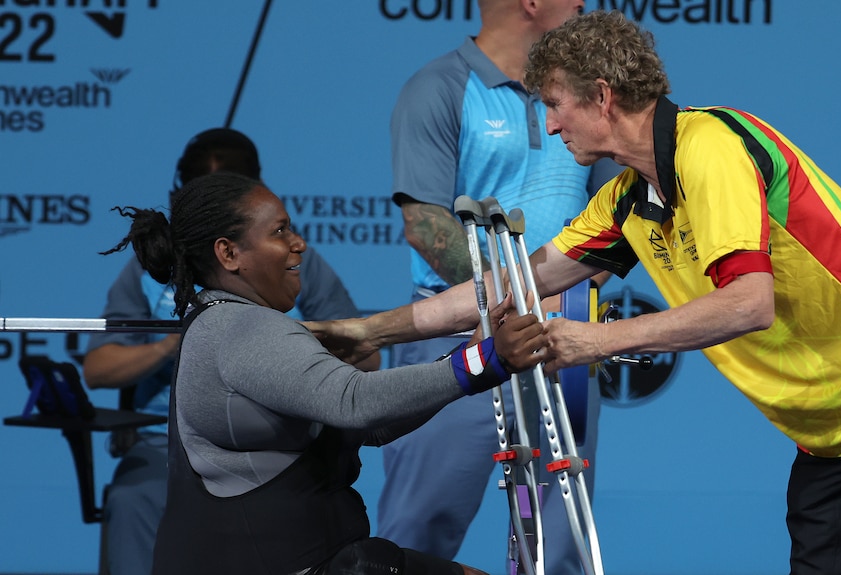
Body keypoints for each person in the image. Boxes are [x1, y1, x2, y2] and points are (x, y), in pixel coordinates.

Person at [308, 10, 841, 575]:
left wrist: (598, 340)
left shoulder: (709, 147)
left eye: (554, 103)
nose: (549, 126)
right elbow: (514, 284)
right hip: (832, 442)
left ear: (601, 96)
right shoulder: (626, 199)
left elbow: (748, 302)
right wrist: (368, 330)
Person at [101, 171, 545, 575]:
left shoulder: (234, 323)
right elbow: (354, 402)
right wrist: (484, 362)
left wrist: (471, 357)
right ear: (229, 253)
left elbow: (372, 424)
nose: (299, 244)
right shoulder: (237, 328)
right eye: (279, 232)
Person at [377, 0, 618, 572]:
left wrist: (567, 297)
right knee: (418, 529)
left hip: (563, 334)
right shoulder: (439, 87)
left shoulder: (587, 94)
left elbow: (620, 220)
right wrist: (511, 303)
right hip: (457, 338)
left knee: (561, 538)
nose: (584, 4)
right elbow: (427, 225)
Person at [82, 127, 378, 575]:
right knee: (133, 498)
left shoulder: (294, 262)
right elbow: (99, 368)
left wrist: (285, 350)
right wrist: (185, 340)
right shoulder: (150, 271)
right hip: (162, 445)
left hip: (275, 440)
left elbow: (369, 359)